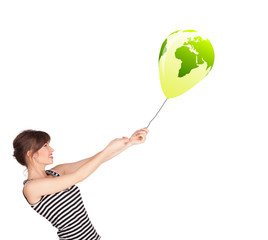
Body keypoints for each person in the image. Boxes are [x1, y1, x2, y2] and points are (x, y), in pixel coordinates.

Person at [13, 127, 149, 240]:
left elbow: (97, 160)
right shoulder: (31, 188)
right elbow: (79, 176)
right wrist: (108, 148)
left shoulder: (58, 172)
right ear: (31, 154)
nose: (52, 150)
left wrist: (130, 143)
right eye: (45, 146)